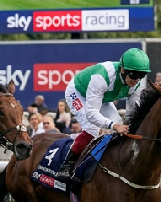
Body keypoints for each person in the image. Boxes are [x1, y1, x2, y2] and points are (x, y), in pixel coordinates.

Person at [55, 48, 151, 182]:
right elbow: (91, 114)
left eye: (141, 75)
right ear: (122, 70)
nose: (137, 79)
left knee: (119, 126)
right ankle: (66, 166)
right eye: (134, 75)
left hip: (103, 98)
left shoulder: (136, 85)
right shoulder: (102, 76)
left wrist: (123, 125)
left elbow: (131, 113)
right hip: (78, 93)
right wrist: (114, 125)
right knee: (92, 128)